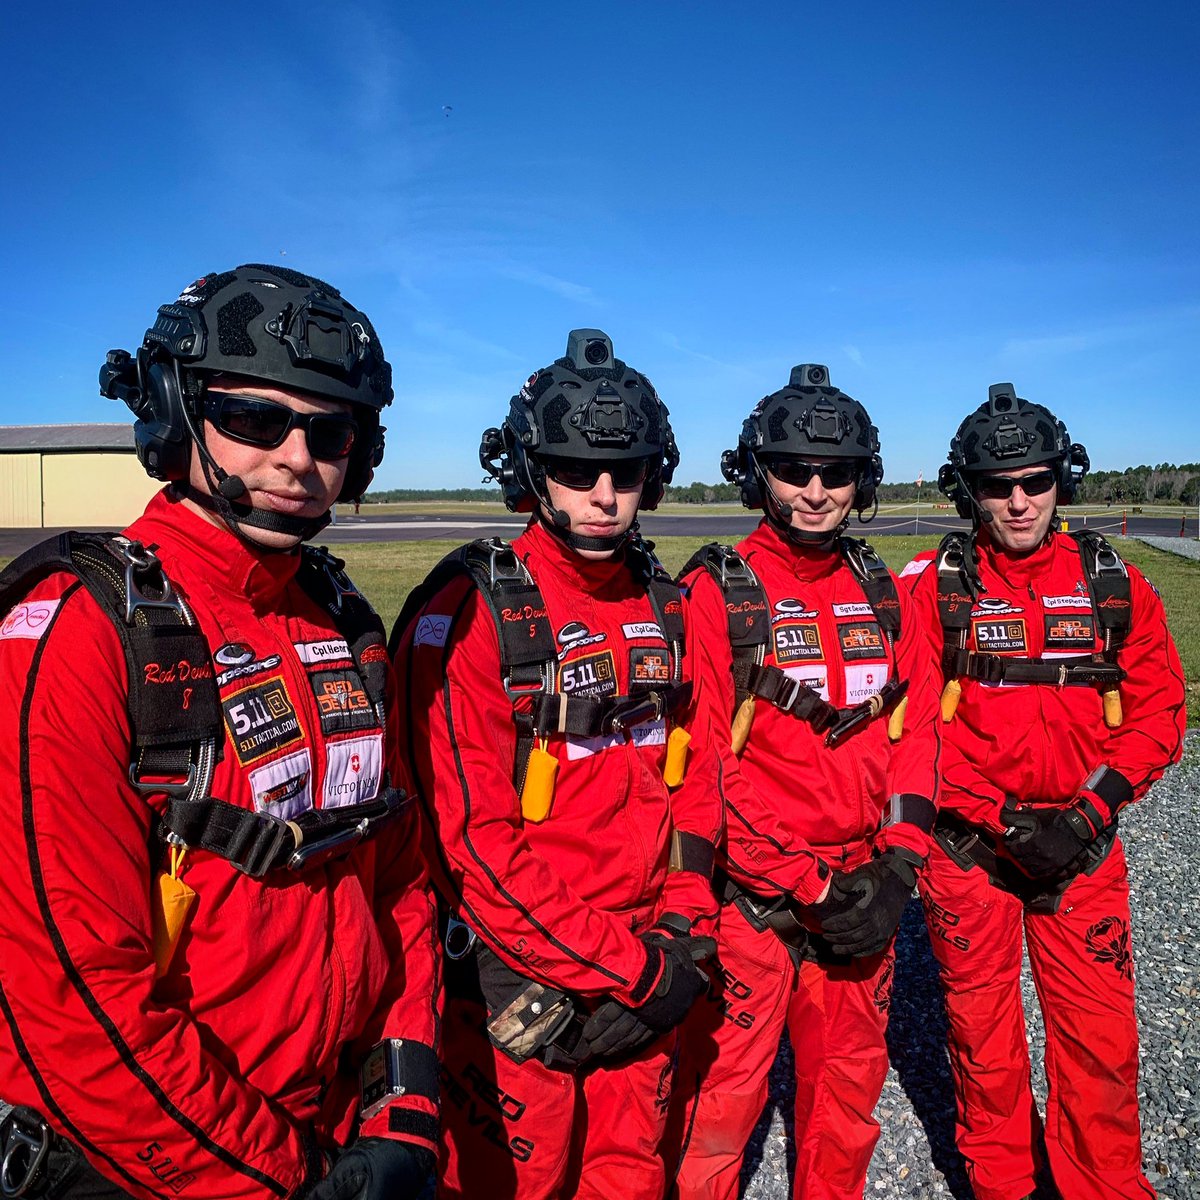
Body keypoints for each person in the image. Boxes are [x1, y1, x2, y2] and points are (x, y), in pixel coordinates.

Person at [0, 265, 440, 1200]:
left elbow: (396, 876)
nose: (295, 456)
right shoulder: (77, 633)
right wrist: (281, 1178)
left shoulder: (340, 618)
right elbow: (75, 1000)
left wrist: (402, 1102)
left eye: (330, 431)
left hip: (325, 1131)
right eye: (251, 420)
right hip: (161, 1159)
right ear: (172, 411)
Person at [392, 329, 723, 1200]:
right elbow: (471, 843)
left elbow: (691, 785)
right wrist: (633, 968)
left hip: (649, 957)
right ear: (532, 470)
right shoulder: (466, 614)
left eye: (629, 471)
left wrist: (686, 925)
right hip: (522, 977)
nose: (606, 496)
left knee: (631, 1180)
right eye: (577, 472)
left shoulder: (671, 606)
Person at [901, 383, 1186, 1200]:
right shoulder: (933, 586)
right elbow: (914, 727)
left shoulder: (1113, 582)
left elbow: (1162, 708)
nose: (1019, 501)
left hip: (1082, 853)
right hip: (970, 857)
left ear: (1064, 478)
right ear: (970, 490)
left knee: (1102, 1046)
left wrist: (1088, 812)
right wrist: (998, 821)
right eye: (997, 485)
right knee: (983, 1047)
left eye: (1036, 480)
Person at [670, 365, 942, 1200]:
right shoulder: (715, 593)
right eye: (794, 469)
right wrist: (807, 883)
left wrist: (897, 867)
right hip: (754, 903)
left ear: (865, 479)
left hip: (862, 888)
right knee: (720, 1108)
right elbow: (705, 767)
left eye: (838, 472)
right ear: (758, 472)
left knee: (847, 1101)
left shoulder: (881, 590)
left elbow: (916, 729)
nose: (817, 489)